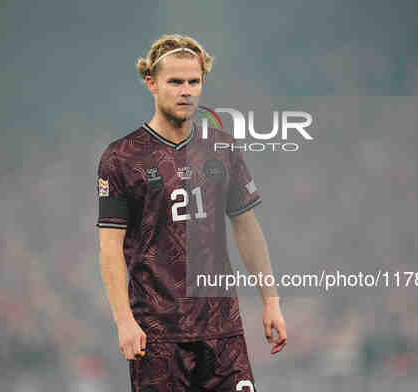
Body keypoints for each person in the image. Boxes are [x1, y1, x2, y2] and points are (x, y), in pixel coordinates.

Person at [97, 34, 286, 392]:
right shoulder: (122, 157)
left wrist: (271, 301)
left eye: (194, 81)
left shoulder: (222, 148)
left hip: (222, 331)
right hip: (158, 335)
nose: (186, 91)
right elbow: (109, 247)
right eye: (175, 82)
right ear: (151, 83)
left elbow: (247, 227)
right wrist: (124, 321)